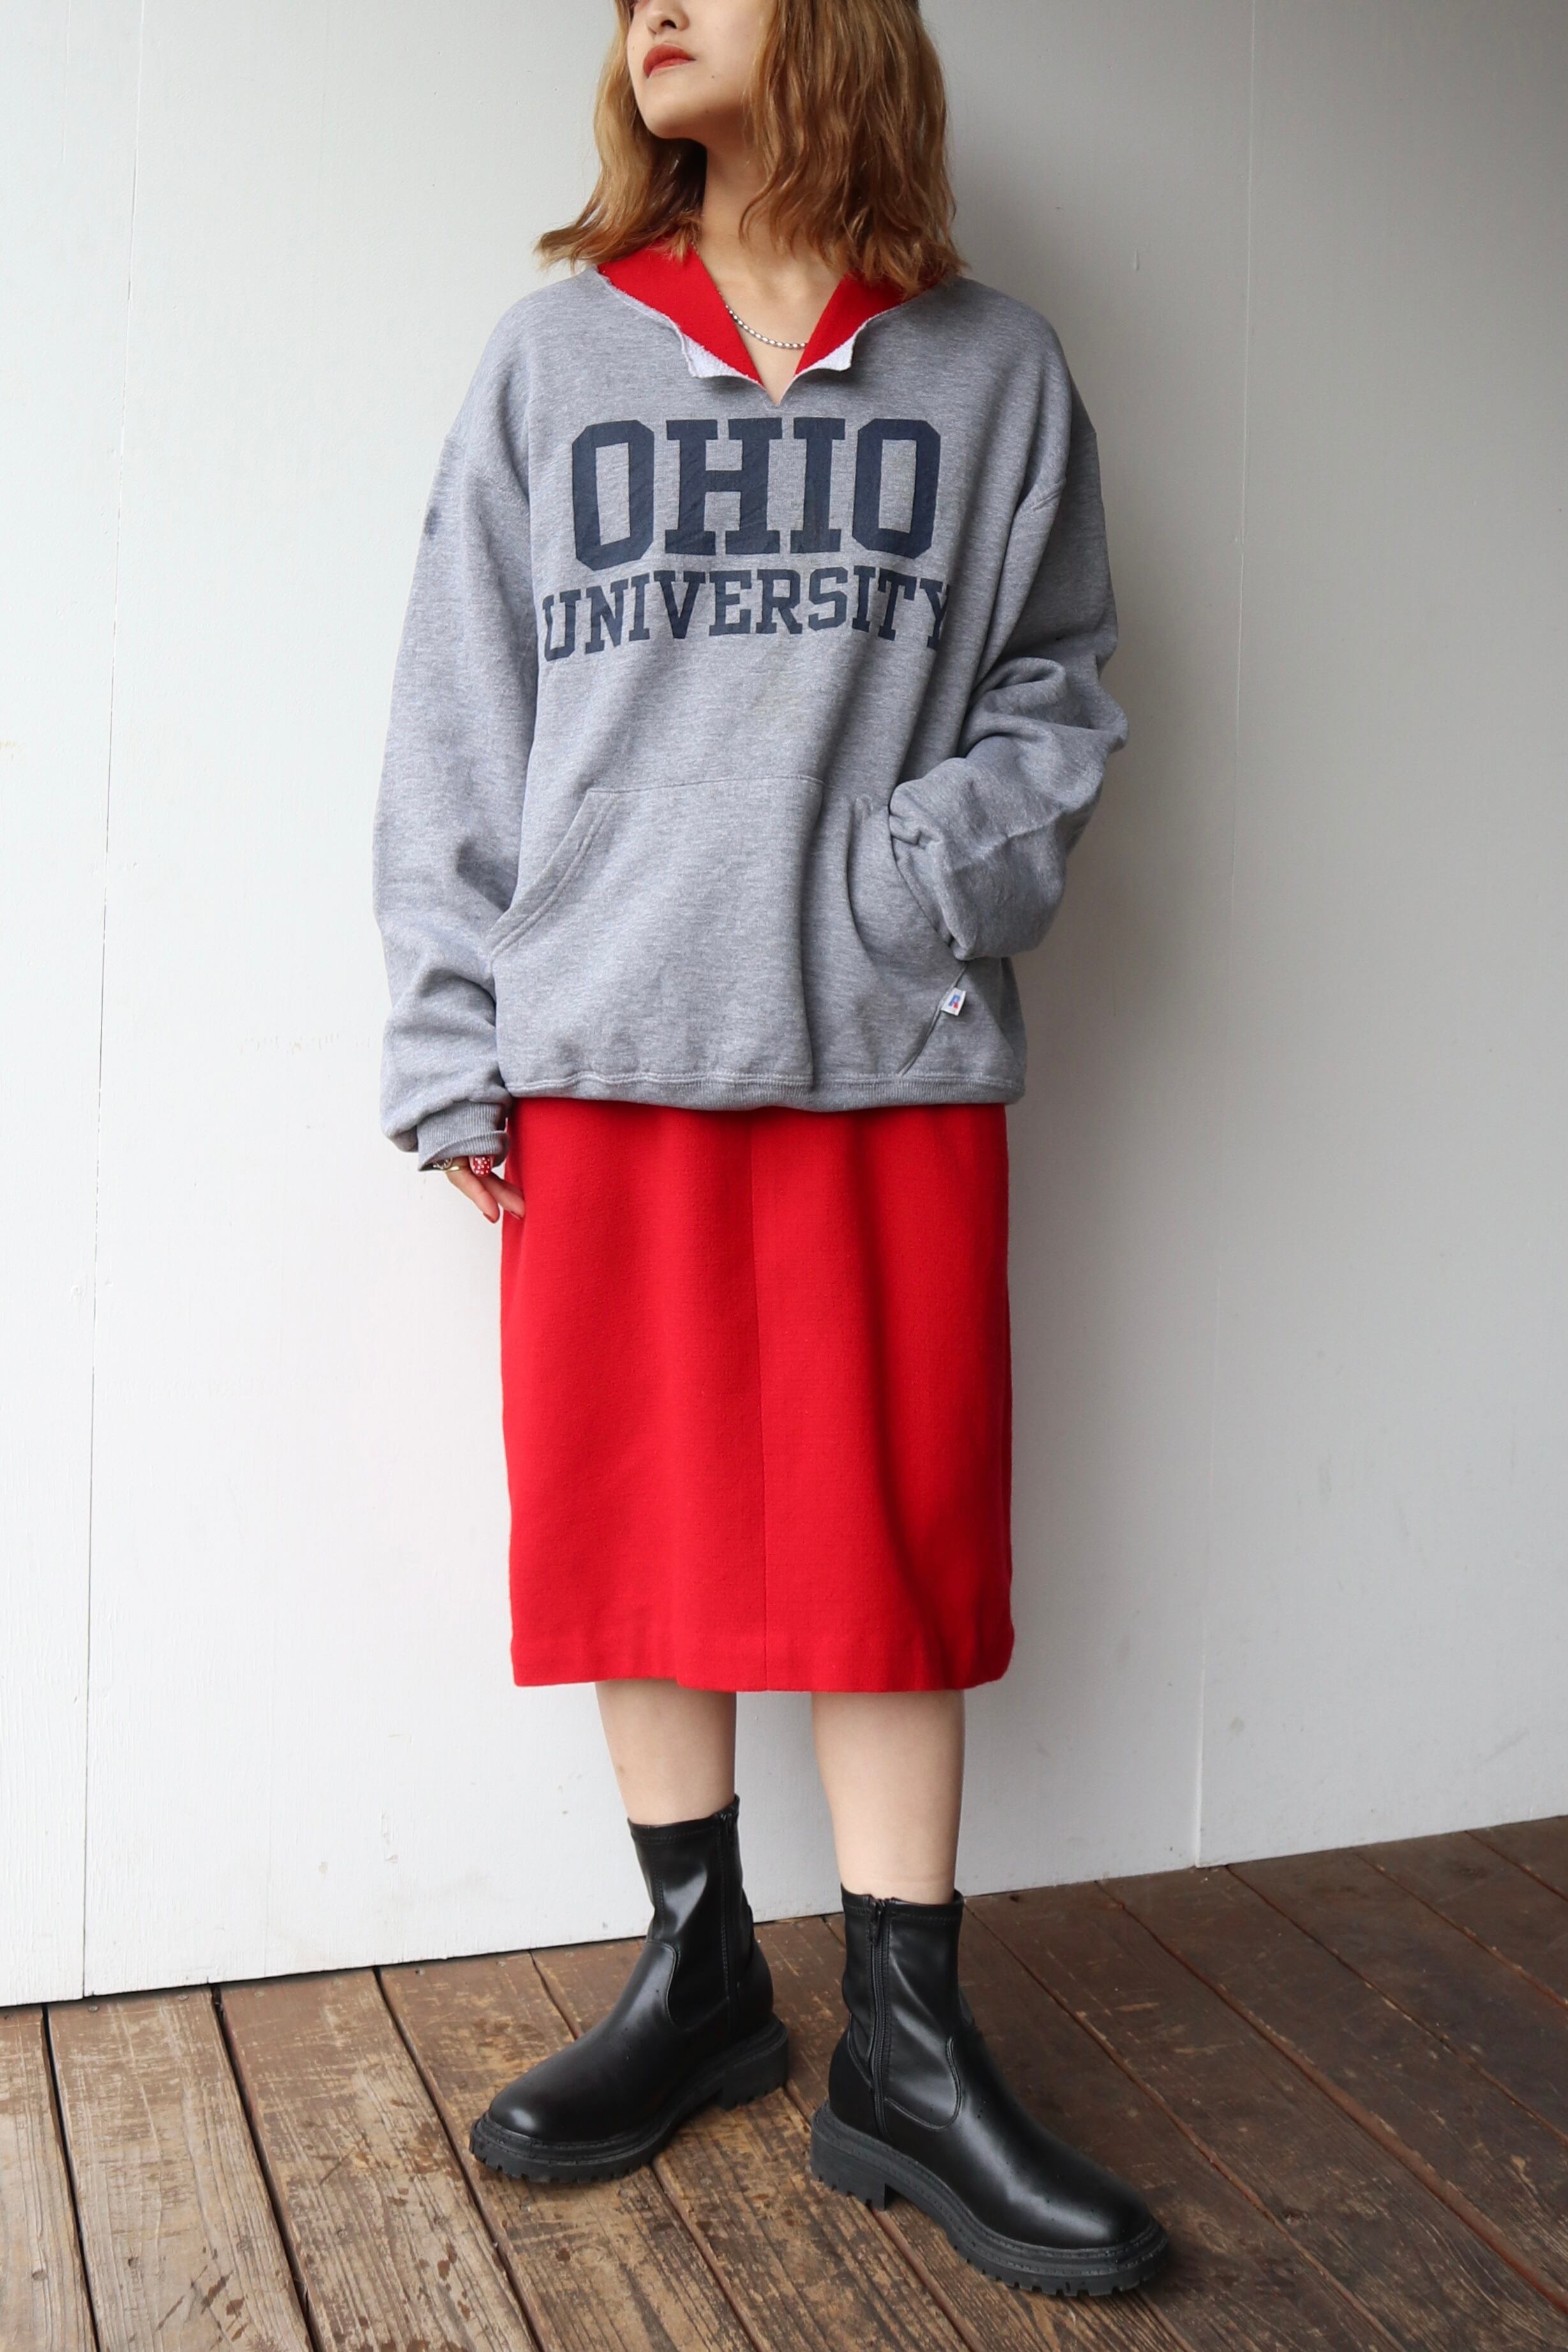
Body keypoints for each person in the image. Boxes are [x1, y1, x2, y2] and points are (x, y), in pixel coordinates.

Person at [371, 0, 1167, 2300]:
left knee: (886, 1524)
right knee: (631, 1517)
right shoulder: (553, 362)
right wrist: (450, 1041)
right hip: (602, 1036)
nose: (651, 6)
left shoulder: (991, 369)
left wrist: (926, 871)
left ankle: (906, 2049)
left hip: (881, 1043)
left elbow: (1060, 685)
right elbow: (457, 713)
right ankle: (700, 1973)